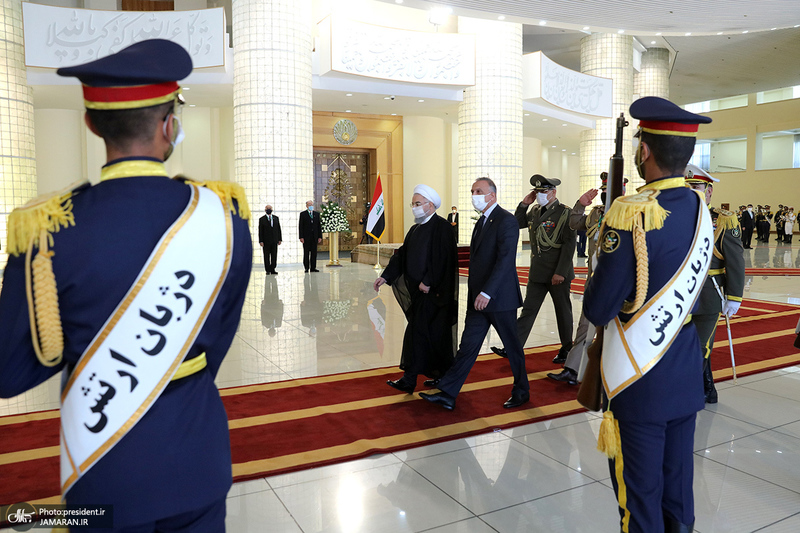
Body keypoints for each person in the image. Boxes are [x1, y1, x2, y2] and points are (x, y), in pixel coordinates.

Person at [0, 40, 252, 531]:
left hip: (102, 469)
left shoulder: (47, 230)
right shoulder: (222, 218)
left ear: (93, 124)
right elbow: (218, 336)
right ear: (169, 125)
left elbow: (9, 373)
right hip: (195, 460)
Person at [583, 96, 714, 533]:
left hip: (638, 382)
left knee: (638, 503)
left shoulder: (631, 213)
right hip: (684, 373)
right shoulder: (700, 209)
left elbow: (599, 308)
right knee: (677, 495)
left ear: (643, 151)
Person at [419, 177, 529, 410]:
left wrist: (487, 292)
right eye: (472, 191)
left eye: (479, 191)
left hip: (499, 299)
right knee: (468, 346)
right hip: (478, 300)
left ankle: (522, 390)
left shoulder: (506, 221)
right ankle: (448, 393)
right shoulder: (482, 222)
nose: (474, 195)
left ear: (492, 195)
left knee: (512, 347)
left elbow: (505, 260)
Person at [374, 185, 458, 393]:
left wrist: (428, 281)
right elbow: (402, 255)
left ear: (431, 205)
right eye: (413, 204)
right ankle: (435, 375)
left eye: (418, 204)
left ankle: (411, 378)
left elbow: (443, 259)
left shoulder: (443, 227)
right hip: (418, 293)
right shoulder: (415, 228)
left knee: (422, 334)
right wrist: (386, 276)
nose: (414, 208)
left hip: (435, 293)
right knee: (426, 335)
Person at [547, 173, 627, 386]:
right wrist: (580, 204)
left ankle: (615, 375)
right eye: (603, 191)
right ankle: (572, 370)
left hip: (620, 286)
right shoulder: (596, 213)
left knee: (616, 333)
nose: (604, 194)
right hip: (595, 282)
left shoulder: (631, 215)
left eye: (608, 191)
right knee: (585, 327)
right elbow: (574, 223)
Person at [491, 175, 575, 365]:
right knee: (528, 310)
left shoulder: (564, 213)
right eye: (537, 192)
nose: (539, 195)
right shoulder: (535, 210)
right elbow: (516, 223)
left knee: (562, 311)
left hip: (557, 273)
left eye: (543, 192)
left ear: (553, 192)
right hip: (538, 272)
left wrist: (561, 272)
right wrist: (523, 205)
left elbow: (569, 244)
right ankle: (514, 346)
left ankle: (566, 348)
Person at [685, 164, 745, 404]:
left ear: (709, 191)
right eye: (686, 186)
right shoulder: (672, 216)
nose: (691, 191)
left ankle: (685, 396)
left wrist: (734, 297)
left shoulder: (723, 221)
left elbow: (735, 262)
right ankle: (708, 387)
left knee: (700, 347)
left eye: (696, 186)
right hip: (678, 296)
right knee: (683, 347)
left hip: (709, 295)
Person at [299, 200, 322, 272]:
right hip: (306, 237)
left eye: (312, 205)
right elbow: (301, 226)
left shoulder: (316, 214)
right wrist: (301, 237)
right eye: (309, 205)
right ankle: (306, 267)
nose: (311, 206)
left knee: (314, 253)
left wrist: (319, 236)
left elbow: (319, 226)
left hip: (314, 237)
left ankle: (313, 267)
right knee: (306, 253)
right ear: (306, 206)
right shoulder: (303, 214)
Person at [259, 204, 282, 274]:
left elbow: (278, 229)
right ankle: (267, 270)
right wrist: (261, 240)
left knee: (274, 255)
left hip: (274, 240)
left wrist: (279, 239)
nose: (269, 209)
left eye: (270, 208)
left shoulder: (276, 218)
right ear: (265, 210)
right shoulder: (262, 219)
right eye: (267, 208)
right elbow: (260, 231)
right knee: (266, 255)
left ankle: (273, 269)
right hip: (266, 241)